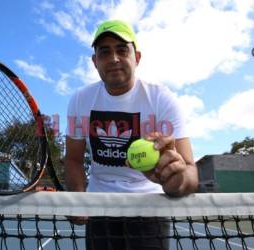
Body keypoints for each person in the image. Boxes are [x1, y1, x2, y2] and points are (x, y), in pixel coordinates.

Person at [65, 19, 199, 250]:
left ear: (136, 58)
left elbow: (190, 172)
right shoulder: (80, 100)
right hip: (100, 206)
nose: (114, 58)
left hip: (149, 207)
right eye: (104, 52)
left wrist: (175, 180)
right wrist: (79, 197)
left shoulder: (161, 98)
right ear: (95, 61)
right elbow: (73, 159)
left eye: (122, 50)